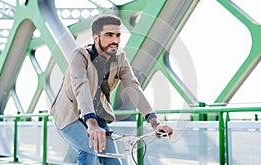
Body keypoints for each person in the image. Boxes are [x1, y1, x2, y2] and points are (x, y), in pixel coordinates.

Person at [50, 15, 173, 165]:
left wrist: (155, 123)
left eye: (118, 35)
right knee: (89, 150)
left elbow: (133, 87)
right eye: (109, 35)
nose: (115, 40)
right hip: (70, 115)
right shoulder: (80, 55)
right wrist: (92, 124)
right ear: (96, 37)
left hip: (98, 116)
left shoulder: (120, 58)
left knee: (113, 160)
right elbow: (81, 87)